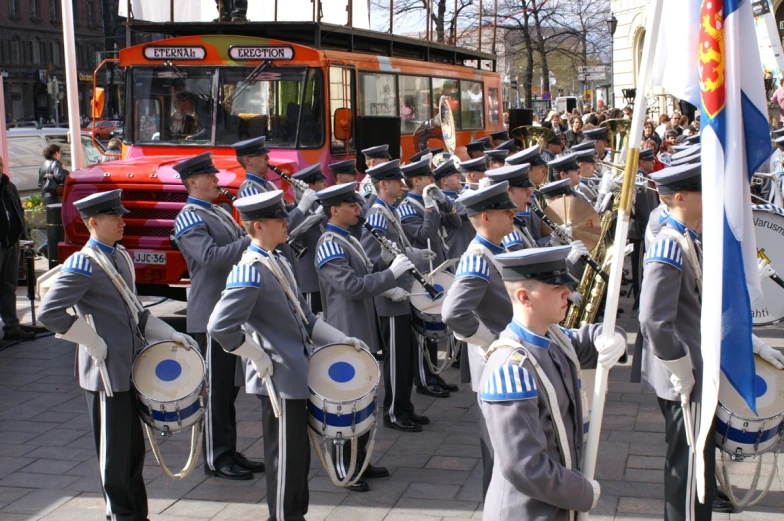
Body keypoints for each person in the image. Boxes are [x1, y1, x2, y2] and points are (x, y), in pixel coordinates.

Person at [207, 190, 368, 521]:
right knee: (284, 457)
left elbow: (305, 318)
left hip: (295, 373)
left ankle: (295, 514)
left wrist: (341, 339)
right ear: (258, 226)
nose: (286, 223)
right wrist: (255, 354)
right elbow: (220, 326)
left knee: (296, 457)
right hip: (277, 378)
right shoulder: (250, 269)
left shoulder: (276, 260)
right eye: (278, 219)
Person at [39, 190, 197, 521]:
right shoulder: (84, 263)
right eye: (115, 217)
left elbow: (135, 311)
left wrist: (170, 333)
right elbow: (50, 312)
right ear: (94, 223)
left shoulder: (119, 255)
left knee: (132, 449)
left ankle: (136, 513)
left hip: (129, 367)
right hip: (104, 373)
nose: (122, 222)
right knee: (114, 453)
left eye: (121, 216)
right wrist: (88, 339)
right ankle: (120, 514)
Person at [478, 246, 627, 520]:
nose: (568, 293)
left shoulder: (556, 339)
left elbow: (591, 338)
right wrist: (581, 492)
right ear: (525, 297)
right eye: (556, 288)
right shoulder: (511, 370)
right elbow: (525, 466)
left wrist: (614, 336)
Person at [313, 182, 411, 492]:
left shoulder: (347, 239)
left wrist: (383, 263)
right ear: (334, 210)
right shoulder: (329, 243)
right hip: (344, 330)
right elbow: (352, 287)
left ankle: (360, 461)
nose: (359, 210)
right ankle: (344, 467)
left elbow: (366, 274)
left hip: (360, 328)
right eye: (352, 206)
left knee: (363, 400)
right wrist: (390, 274)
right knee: (344, 405)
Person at [172, 152, 264, 480]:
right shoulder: (189, 217)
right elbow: (210, 258)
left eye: (215, 176)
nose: (216, 180)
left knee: (229, 390)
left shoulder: (217, 211)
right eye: (209, 177)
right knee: (217, 390)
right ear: (192, 182)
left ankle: (228, 449)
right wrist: (252, 240)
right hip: (209, 313)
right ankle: (216, 457)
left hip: (228, 312)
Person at [638, 163, 714, 520]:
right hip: (685, 373)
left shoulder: (687, 237)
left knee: (697, 464)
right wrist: (681, 368)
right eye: (702, 190)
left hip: (692, 367)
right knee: (689, 471)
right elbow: (653, 318)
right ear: (681, 197)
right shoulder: (670, 244)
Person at [442, 181, 517, 499]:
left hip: (506, 358)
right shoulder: (478, 257)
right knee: (500, 455)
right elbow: (454, 313)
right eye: (505, 209)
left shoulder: (497, 249)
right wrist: (489, 341)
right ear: (486, 217)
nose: (513, 212)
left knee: (510, 453)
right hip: (494, 362)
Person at [360, 160, 433, 432]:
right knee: (395, 357)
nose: (402, 185)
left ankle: (404, 406)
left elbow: (396, 247)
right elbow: (370, 258)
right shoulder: (378, 214)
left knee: (405, 355)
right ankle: (393, 411)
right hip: (389, 298)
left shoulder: (389, 211)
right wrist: (387, 287)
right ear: (383, 184)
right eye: (396, 181)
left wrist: (415, 255)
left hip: (403, 293)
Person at [399, 158, 462, 397]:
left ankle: (433, 374)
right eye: (428, 178)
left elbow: (455, 223)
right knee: (423, 329)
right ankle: (424, 379)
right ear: (417, 181)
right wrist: (428, 208)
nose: (432, 181)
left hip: (438, 269)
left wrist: (444, 202)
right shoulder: (407, 207)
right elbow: (423, 234)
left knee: (434, 326)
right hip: (423, 273)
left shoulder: (434, 201)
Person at [287, 164, 328, 314]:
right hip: (309, 280)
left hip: (323, 277)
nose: (326, 184)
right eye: (322, 182)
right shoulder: (298, 211)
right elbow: (290, 234)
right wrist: (313, 214)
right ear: (310, 186)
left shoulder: (319, 205)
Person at [0, 156, 34, 341]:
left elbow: (18, 211)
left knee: (9, 286)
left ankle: (11, 327)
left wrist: (22, 235)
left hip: (11, 244)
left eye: (0, 165)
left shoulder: (8, 186)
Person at [436, 160, 475, 259]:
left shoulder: (457, 196)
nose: (459, 177)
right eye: (455, 175)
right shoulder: (441, 200)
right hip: (457, 252)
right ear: (444, 181)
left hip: (468, 247)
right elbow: (463, 212)